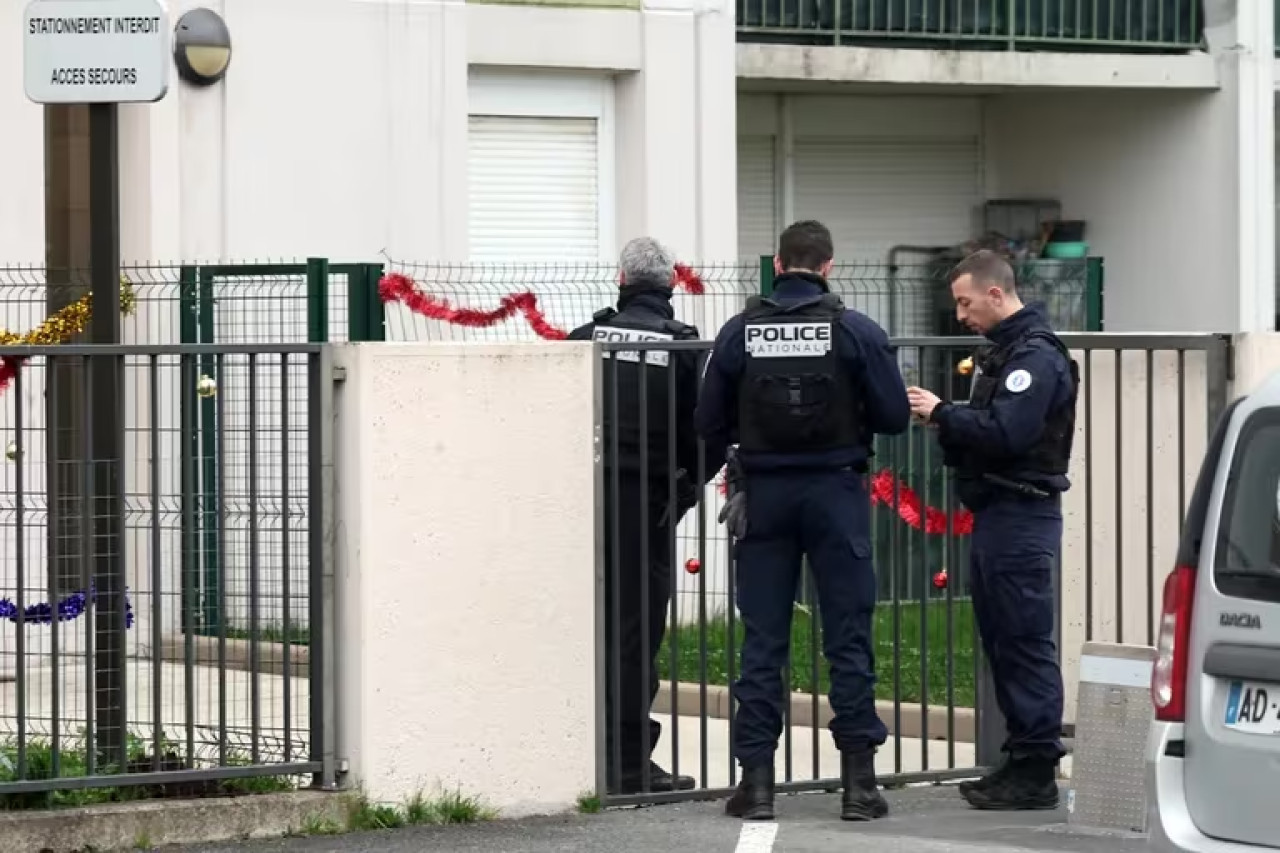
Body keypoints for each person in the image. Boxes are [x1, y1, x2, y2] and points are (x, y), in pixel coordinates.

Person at [695, 220, 911, 822]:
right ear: (829, 266)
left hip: (764, 497)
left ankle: (757, 786)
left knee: (763, 642)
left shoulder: (740, 332)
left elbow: (708, 420)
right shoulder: (855, 331)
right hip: (837, 495)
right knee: (848, 637)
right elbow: (894, 417)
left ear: (777, 262)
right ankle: (860, 787)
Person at [905, 249, 1078, 811]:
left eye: (965, 302)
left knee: (1024, 641)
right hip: (999, 514)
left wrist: (943, 414)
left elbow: (1009, 432)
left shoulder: (1036, 357)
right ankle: (1020, 759)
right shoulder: (1007, 353)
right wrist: (950, 419)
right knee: (1003, 639)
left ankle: (1035, 770)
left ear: (996, 295)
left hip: (1021, 514)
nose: (960, 315)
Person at [568, 236, 718, 795]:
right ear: (671, 284)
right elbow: (702, 436)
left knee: (586, 629)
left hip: (584, 505)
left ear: (620, 279)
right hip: (647, 507)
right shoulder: (681, 348)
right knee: (635, 635)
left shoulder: (585, 339)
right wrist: (678, 499)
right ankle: (628, 764)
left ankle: (582, 752)